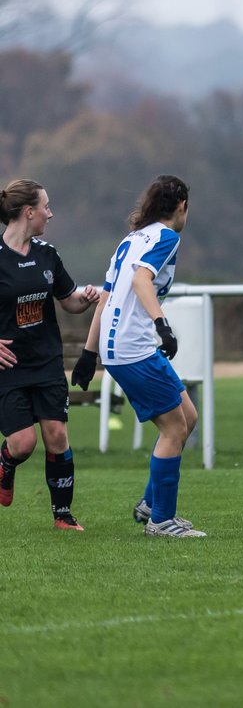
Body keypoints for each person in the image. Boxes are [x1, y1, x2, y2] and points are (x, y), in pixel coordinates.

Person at [73, 174, 205, 537]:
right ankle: (161, 521)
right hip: (134, 347)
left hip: (123, 347)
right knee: (174, 428)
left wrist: (89, 353)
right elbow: (140, 281)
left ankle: (150, 504)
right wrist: (163, 324)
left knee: (187, 417)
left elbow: (106, 296)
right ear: (181, 206)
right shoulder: (166, 237)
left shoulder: (130, 240)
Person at [0, 179, 101, 530]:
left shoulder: (48, 254)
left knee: (56, 435)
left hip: (46, 362)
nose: (50, 213)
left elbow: (68, 300)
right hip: (9, 368)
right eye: (46, 206)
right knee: (23, 444)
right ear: (29, 212)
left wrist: (85, 300)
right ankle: (6, 462)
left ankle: (63, 516)